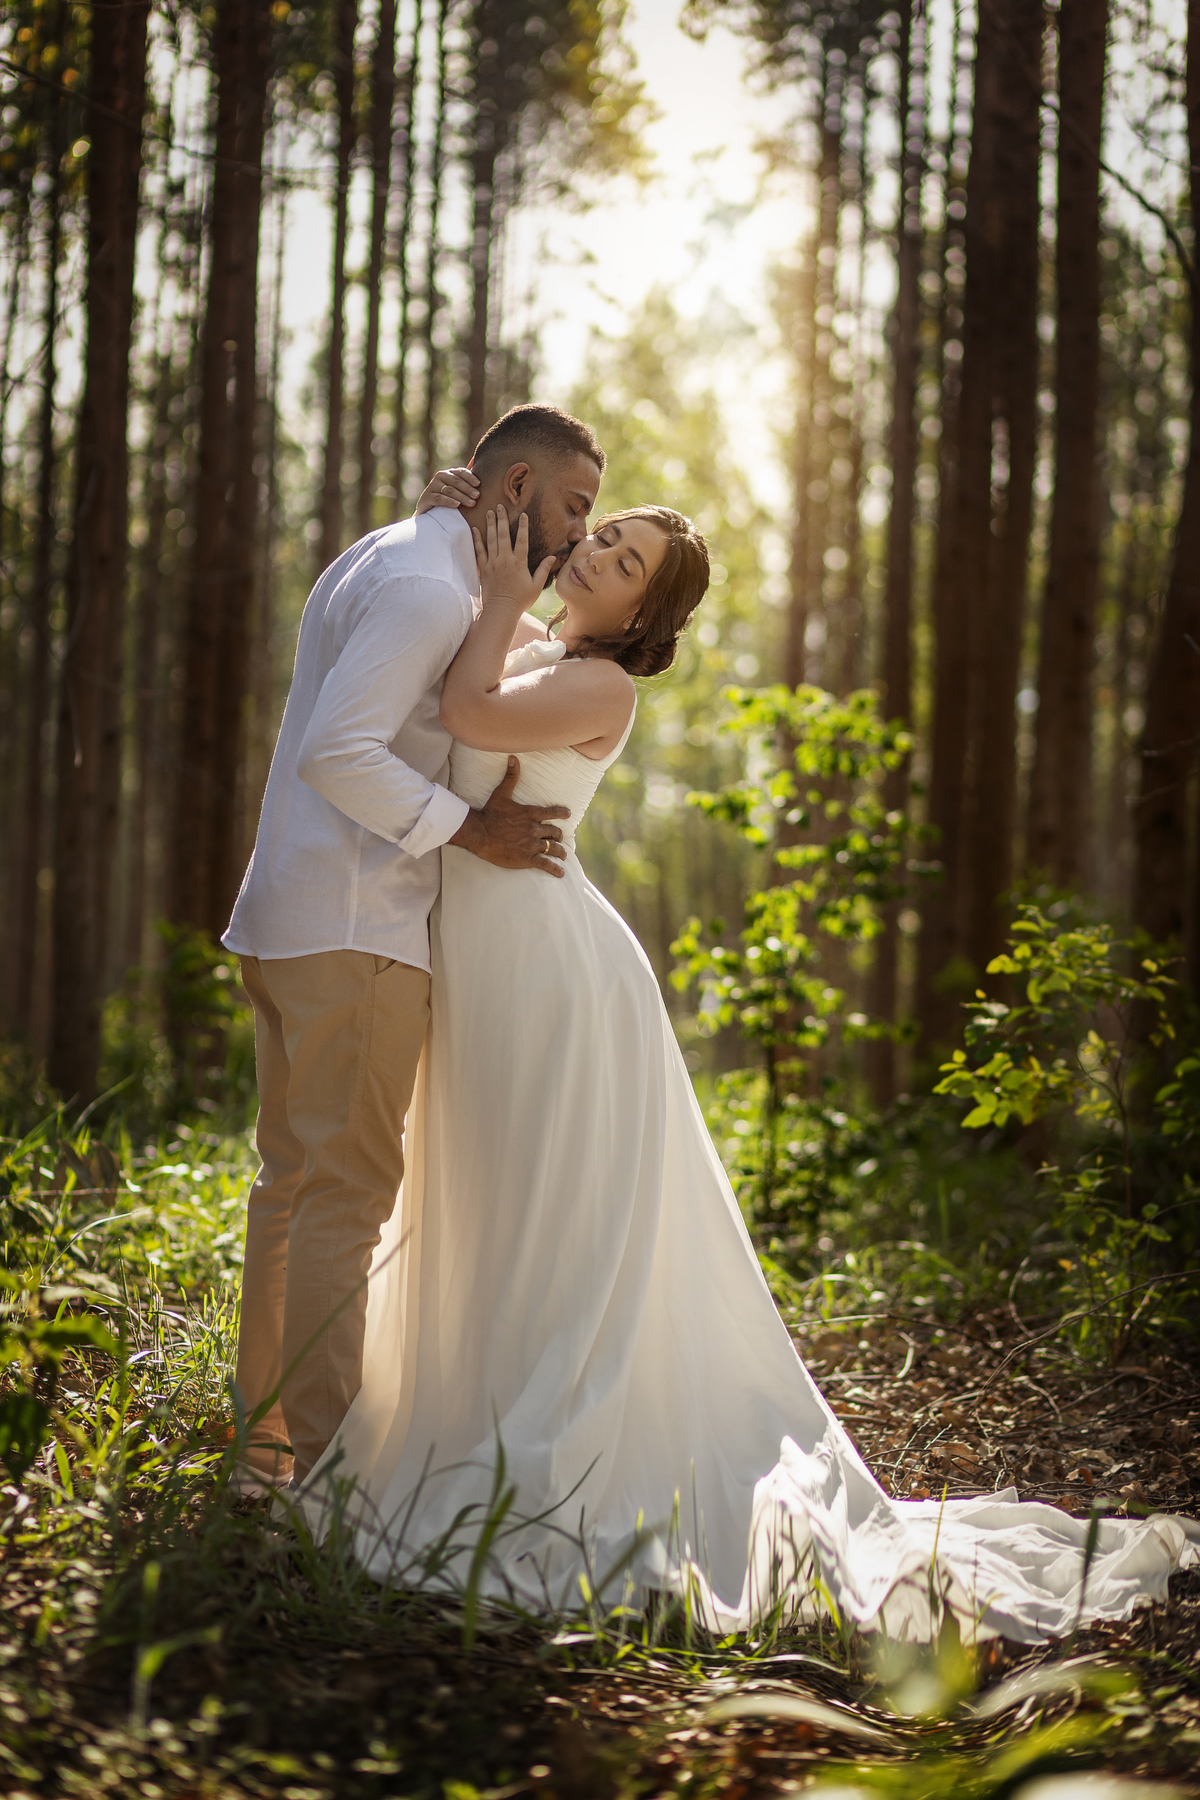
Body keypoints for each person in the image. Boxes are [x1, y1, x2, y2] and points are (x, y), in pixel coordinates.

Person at [298, 481, 1200, 1642]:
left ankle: (534, 1442)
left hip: (549, 974)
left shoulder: (599, 685)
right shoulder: (532, 646)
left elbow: (466, 710)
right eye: (604, 535)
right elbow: (444, 659)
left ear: (642, 618)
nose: (597, 554)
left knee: (534, 1205)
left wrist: (506, 595)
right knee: (477, 1196)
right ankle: (455, 1415)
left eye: (624, 562)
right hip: (478, 961)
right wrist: (456, 521)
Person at [223, 405, 605, 1494]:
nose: (581, 533)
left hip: (298, 921)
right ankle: (329, 1478)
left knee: (294, 1189)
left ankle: (266, 1458)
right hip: (359, 931)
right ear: (517, 489)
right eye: (575, 506)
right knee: (343, 1197)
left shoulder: (396, 555)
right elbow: (340, 753)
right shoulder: (428, 588)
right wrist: (471, 830)